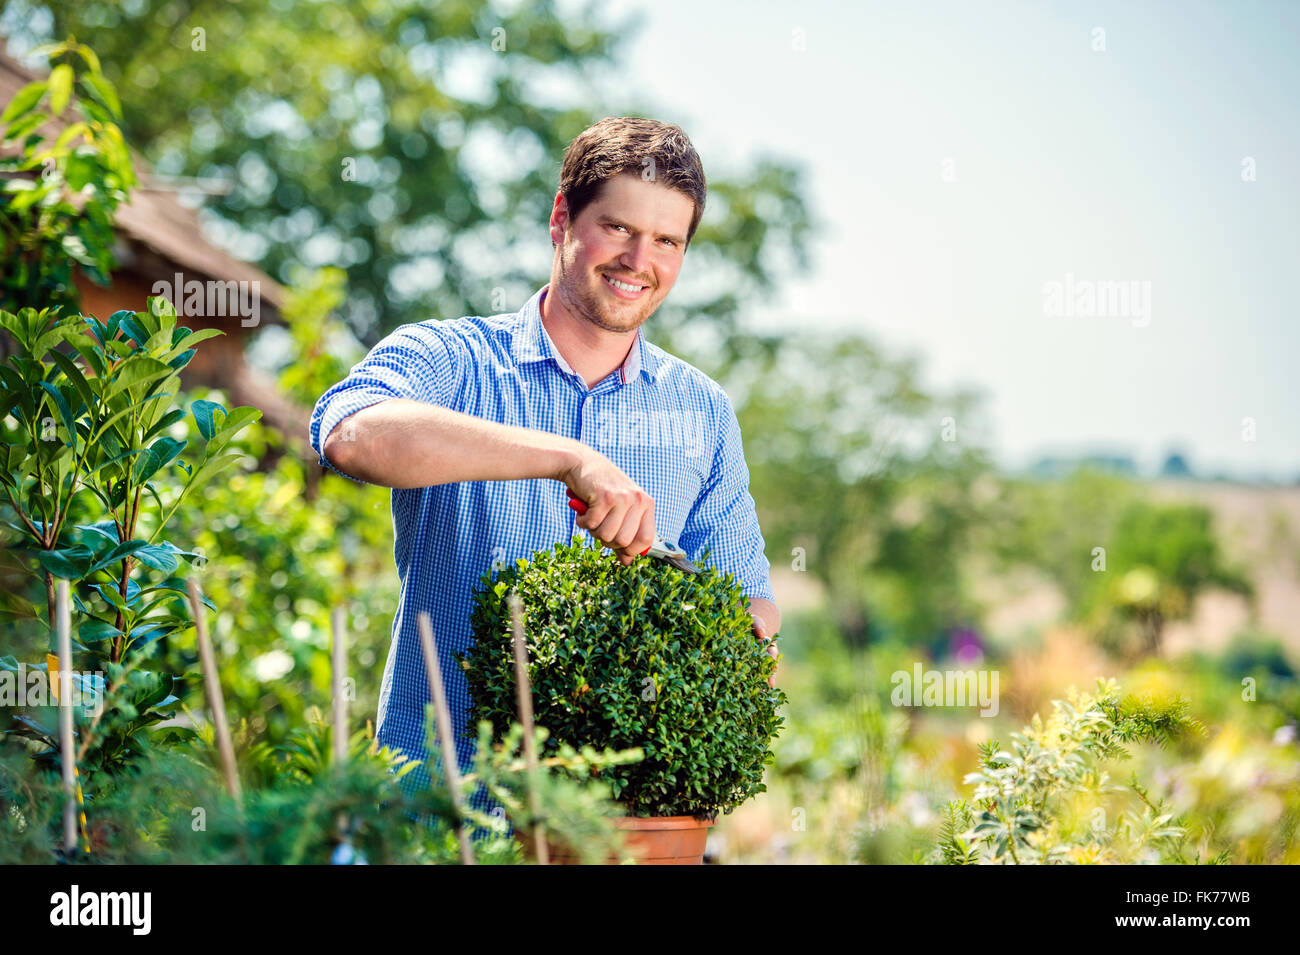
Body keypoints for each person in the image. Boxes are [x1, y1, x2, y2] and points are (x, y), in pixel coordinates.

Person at [308, 116, 781, 819]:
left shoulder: (702, 412)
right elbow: (352, 436)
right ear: (562, 219)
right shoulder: (453, 361)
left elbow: (752, 610)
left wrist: (699, 640)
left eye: (666, 241)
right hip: (439, 818)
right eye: (619, 228)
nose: (638, 260)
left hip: (615, 829)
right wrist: (568, 459)